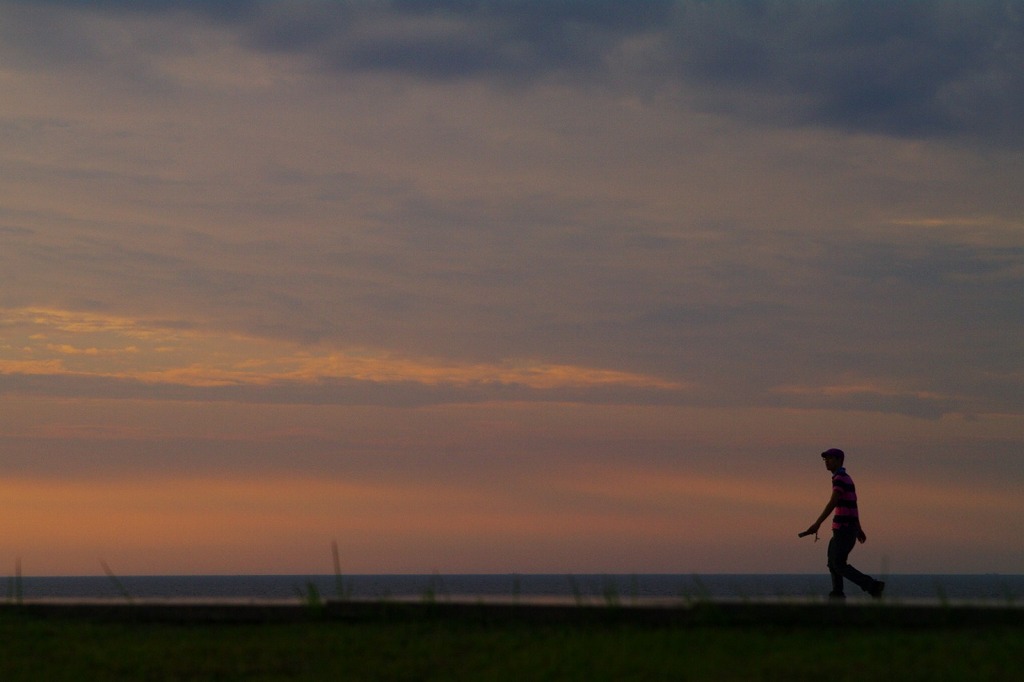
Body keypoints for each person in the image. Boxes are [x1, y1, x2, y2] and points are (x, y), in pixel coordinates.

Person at [800, 448, 885, 599]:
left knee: (838, 563)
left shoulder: (840, 478)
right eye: (825, 459)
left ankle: (871, 585)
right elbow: (853, 505)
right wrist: (858, 528)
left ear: (839, 461)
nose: (826, 461)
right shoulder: (844, 478)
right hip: (843, 528)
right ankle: (837, 593)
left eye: (830, 458)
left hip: (844, 529)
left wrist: (817, 523)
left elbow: (834, 502)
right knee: (833, 563)